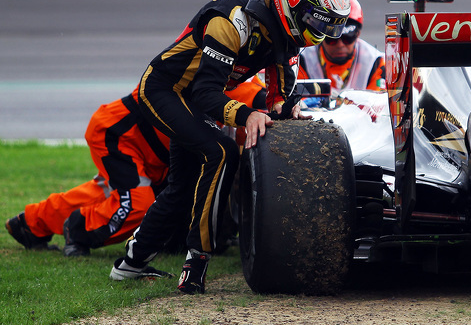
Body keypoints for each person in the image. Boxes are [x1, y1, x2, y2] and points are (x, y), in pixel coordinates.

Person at [107, 0, 352, 295]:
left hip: (191, 98)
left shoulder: (286, 31)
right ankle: (197, 261)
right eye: (320, 20)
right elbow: (206, 93)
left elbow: (278, 96)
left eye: (331, 24)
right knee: (221, 152)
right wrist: (246, 114)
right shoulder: (233, 19)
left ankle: (128, 266)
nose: (324, 31)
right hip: (164, 90)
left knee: (181, 190)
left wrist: (287, 109)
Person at [4, 76, 273, 257]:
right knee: (137, 205)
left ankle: (30, 223)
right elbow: (247, 96)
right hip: (119, 134)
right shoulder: (212, 71)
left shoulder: (241, 79)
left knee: (108, 196)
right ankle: (78, 230)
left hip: (149, 152)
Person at [297, 0, 386, 97]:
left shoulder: (375, 62)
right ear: (320, 35)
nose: (340, 45)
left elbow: (379, 104)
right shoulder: (300, 60)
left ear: (358, 33)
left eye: (348, 38)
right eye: (332, 39)